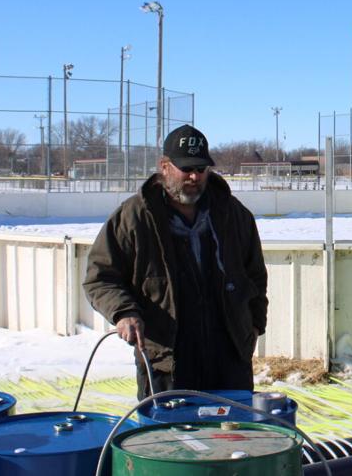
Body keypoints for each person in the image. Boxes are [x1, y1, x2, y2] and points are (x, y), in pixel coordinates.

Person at [83, 124, 267, 400]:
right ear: (165, 166)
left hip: (229, 360)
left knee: (232, 436)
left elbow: (255, 277)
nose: (194, 176)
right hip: (168, 361)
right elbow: (100, 276)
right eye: (186, 168)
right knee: (172, 440)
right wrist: (124, 312)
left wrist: (254, 327)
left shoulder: (235, 216)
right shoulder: (133, 218)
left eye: (201, 169)